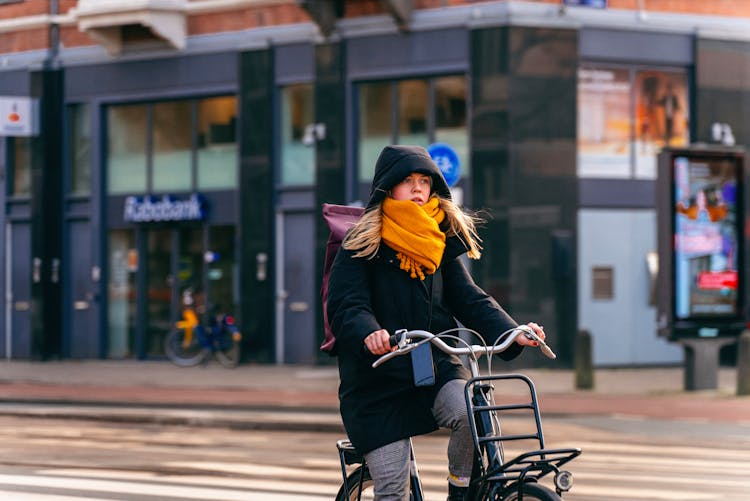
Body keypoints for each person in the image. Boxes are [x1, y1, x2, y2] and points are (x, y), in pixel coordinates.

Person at [326, 145, 545, 501]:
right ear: (387, 188)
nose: (417, 189)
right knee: (393, 489)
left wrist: (513, 332)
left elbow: (468, 298)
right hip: (377, 379)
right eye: (407, 181)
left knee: (470, 409)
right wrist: (370, 333)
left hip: (431, 365)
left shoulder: (436, 242)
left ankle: (460, 492)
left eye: (423, 181)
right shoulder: (361, 243)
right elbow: (347, 306)